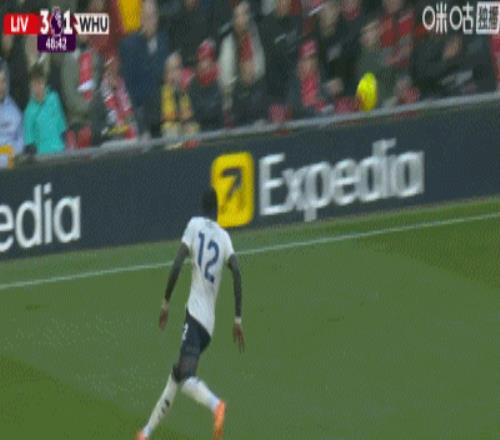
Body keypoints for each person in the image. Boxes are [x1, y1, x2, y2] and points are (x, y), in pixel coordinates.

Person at [137, 188, 244, 440]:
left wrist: (165, 303)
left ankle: (216, 405)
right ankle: (146, 432)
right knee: (176, 375)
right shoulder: (224, 238)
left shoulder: (194, 226)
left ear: (201, 206)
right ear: (217, 210)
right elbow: (237, 272)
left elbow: (177, 263)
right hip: (208, 325)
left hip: (195, 317)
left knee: (185, 377)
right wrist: (238, 319)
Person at [119, 0, 169, 136]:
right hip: (142, 114)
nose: (150, 21)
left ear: (157, 18)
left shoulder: (164, 40)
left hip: (164, 112)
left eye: (153, 16)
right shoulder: (129, 46)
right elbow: (129, 88)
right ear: (141, 19)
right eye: (146, 17)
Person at [90, 56, 138, 145]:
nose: (113, 76)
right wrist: (112, 129)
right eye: (109, 73)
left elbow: (134, 114)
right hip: (110, 141)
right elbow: (97, 129)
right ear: (104, 75)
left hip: (131, 138)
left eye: (115, 72)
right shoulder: (98, 98)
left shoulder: (126, 89)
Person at [23, 63, 67, 155]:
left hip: (60, 151)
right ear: (30, 86)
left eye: (40, 83)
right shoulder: (28, 111)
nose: (37, 88)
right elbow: (30, 142)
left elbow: (62, 128)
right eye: (34, 85)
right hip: (42, 157)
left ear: (44, 81)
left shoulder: (54, 98)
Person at [189, 39, 224, 130]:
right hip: (200, 131)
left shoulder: (218, 81)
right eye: (201, 60)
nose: (203, 64)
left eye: (206, 59)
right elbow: (196, 113)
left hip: (218, 130)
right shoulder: (193, 84)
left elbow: (220, 111)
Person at [161, 52, 199, 137]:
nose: (174, 74)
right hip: (170, 138)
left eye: (177, 69)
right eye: (170, 70)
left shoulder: (190, 91)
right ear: (165, 75)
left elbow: (195, 116)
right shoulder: (159, 96)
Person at [0, 60, 23, 168]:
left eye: (3, 81)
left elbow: (21, 140)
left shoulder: (14, 110)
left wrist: (10, 151)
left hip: (10, 170)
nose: (1, 86)